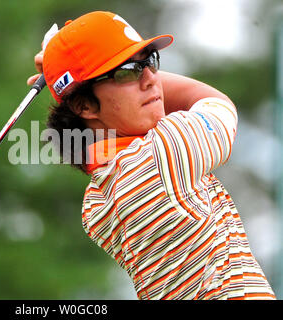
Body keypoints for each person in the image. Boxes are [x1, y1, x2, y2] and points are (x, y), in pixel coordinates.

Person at [27, 11, 276, 300]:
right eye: (127, 71)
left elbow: (99, 130)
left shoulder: (95, 203)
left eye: (150, 62)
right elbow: (215, 102)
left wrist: (68, 74)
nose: (151, 79)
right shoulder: (161, 155)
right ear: (84, 105)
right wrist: (64, 73)